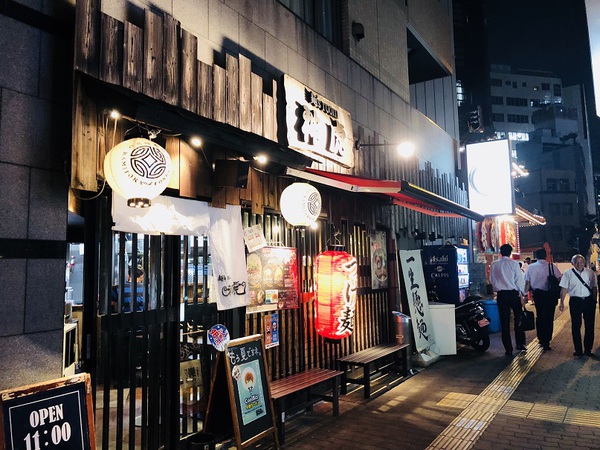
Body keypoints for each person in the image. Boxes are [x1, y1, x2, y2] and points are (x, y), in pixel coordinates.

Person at [489, 244, 527, 355]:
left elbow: (492, 279)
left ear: (500, 252)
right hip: (513, 294)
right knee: (518, 318)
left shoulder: (494, 264)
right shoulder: (514, 264)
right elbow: (519, 280)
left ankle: (508, 348)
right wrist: (523, 294)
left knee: (504, 322)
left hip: (501, 295)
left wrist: (497, 288)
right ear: (510, 252)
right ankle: (520, 344)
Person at [559, 254, 598, 357]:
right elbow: (563, 289)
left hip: (588, 301)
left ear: (584, 263)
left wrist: (594, 300)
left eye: (581, 262)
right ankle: (578, 350)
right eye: (577, 262)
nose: (579, 264)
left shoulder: (590, 273)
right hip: (575, 301)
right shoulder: (568, 274)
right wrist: (561, 302)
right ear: (572, 263)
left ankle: (588, 350)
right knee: (576, 326)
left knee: (590, 326)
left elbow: (594, 287)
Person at [524, 248, 562, 351]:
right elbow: (560, 279)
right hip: (550, 296)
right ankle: (547, 341)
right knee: (549, 318)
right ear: (546, 256)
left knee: (540, 316)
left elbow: (527, 282)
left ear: (536, 256)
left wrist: (524, 295)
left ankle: (541, 338)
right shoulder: (551, 266)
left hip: (538, 295)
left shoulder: (531, 267)